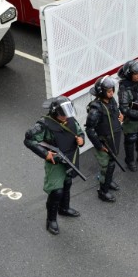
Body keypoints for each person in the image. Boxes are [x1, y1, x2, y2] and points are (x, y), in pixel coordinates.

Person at [24, 96, 85, 235]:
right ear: (55, 112)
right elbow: (29, 140)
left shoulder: (69, 119)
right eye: (63, 114)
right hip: (55, 162)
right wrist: (45, 154)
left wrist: (81, 139)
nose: (66, 117)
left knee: (68, 183)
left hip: (71, 158)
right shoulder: (44, 125)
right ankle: (51, 220)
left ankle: (64, 208)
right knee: (56, 191)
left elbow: (79, 131)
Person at [85, 76, 124, 203]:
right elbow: (90, 129)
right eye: (108, 91)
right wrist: (99, 145)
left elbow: (116, 112)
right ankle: (103, 191)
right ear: (102, 92)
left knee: (112, 163)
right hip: (104, 143)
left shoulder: (111, 101)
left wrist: (120, 116)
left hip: (114, 139)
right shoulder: (96, 108)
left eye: (112, 89)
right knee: (106, 167)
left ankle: (108, 181)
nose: (111, 92)